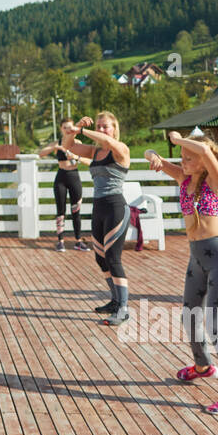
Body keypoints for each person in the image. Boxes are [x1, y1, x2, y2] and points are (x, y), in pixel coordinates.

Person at [146, 132, 218, 415]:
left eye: (189, 158)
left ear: (205, 161)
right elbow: (148, 153)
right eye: (182, 158)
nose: (184, 161)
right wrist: (154, 158)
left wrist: (181, 140)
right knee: (189, 315)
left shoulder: (217, 181)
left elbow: (203, 148)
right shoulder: (184, 179)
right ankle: (203, 366)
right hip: (196, 257)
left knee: (215, 325)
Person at [75, 112, 133, 325]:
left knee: (113, 258)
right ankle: (115, 300)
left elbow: (108, 141)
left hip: (116, 207)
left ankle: (123, 308)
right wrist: (75, 127)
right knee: (100, 258)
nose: (101, 130)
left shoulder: (121, 149)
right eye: (98, 126)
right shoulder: (94, 151)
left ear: (114, 129)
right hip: (99, 207)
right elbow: (67, 145)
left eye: (105, 126)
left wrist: (81, 131)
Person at [37, 117, 92, 251]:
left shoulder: (77, 142)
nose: (68, 130)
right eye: (65, 127)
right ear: (61, 129)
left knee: (76, 211)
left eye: (70, 127)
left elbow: (89, 158)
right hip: (61, 177)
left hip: (74, 176)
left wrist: (76, 157)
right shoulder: (57, 143)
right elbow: (41, 153)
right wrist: (55, 147)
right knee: (60, 211)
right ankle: (60, 241)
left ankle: (78, 241)